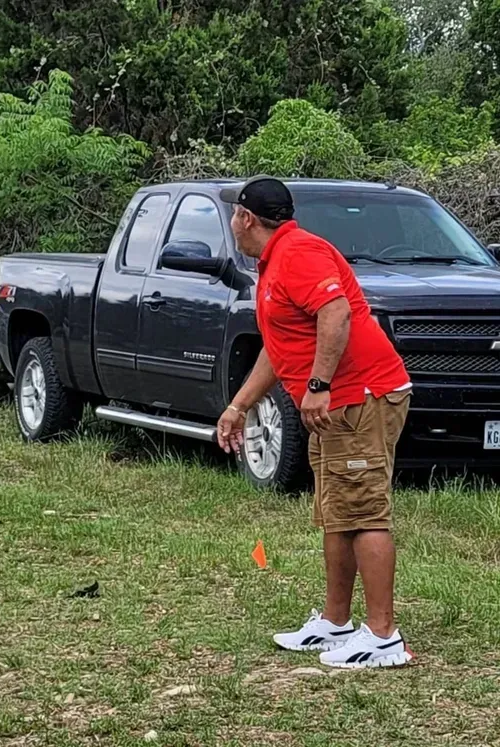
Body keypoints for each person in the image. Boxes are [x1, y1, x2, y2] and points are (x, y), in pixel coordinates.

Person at [216, 177, 412, 669]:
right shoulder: (275, 259)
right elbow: (278, 347)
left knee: (364, 508)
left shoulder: (299, 253)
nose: (231, 223)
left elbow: (337, 313)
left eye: (233, 214)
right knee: (336, 509)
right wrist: (239, 406)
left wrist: (319, 385)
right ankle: (335, 623)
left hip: (361, 396)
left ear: (246, 219)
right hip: (334, 403)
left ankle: (384, 637)